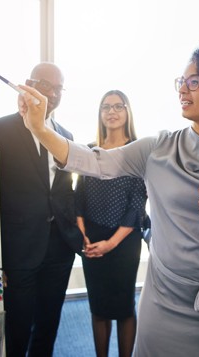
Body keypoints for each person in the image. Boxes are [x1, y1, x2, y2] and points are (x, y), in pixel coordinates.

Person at [18, 39, 199, 356]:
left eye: (194, 82)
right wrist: (40, 130)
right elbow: (93, 161)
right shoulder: (157, 148)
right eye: (181, 81)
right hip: (165, 299)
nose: (182, 90)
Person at [0, 62, 83, 357]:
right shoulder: (1, 129)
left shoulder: (65, 134)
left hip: (59, 246)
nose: (53, 94)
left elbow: (64, 189)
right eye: (46, 85)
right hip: (20, 249)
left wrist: (75, 230)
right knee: (18, 328)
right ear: (28, 83)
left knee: (48, 325)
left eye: (58, 89)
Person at [76, 90, 148, 357]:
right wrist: (83, 234)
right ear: (100, 113)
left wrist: (111, 244)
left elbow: (137, 205)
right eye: (106, 106)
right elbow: (79, 196)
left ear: (128, 112)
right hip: (91, 238)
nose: (112, 111)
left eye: (118, 106)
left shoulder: (138, 151)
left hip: (125, 240)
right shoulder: (89, 150)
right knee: (99, 306)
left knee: (124, 306)